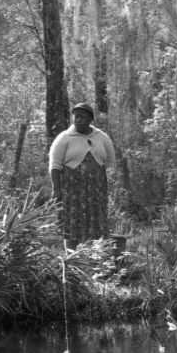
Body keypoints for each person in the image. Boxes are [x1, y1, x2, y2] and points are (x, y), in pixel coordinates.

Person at [48, 103, 117, 250]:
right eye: (75, 116)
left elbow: (110, 160)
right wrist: (56, 189)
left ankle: (95, 258)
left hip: (96, 190)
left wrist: (102, 179)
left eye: (81, 117)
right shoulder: (64, 138)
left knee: (96, 223)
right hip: (71, 190)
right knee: (72, 224)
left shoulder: (101, 137)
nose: (77, 119)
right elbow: (55, 165)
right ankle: (72, 260)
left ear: (90, 119)